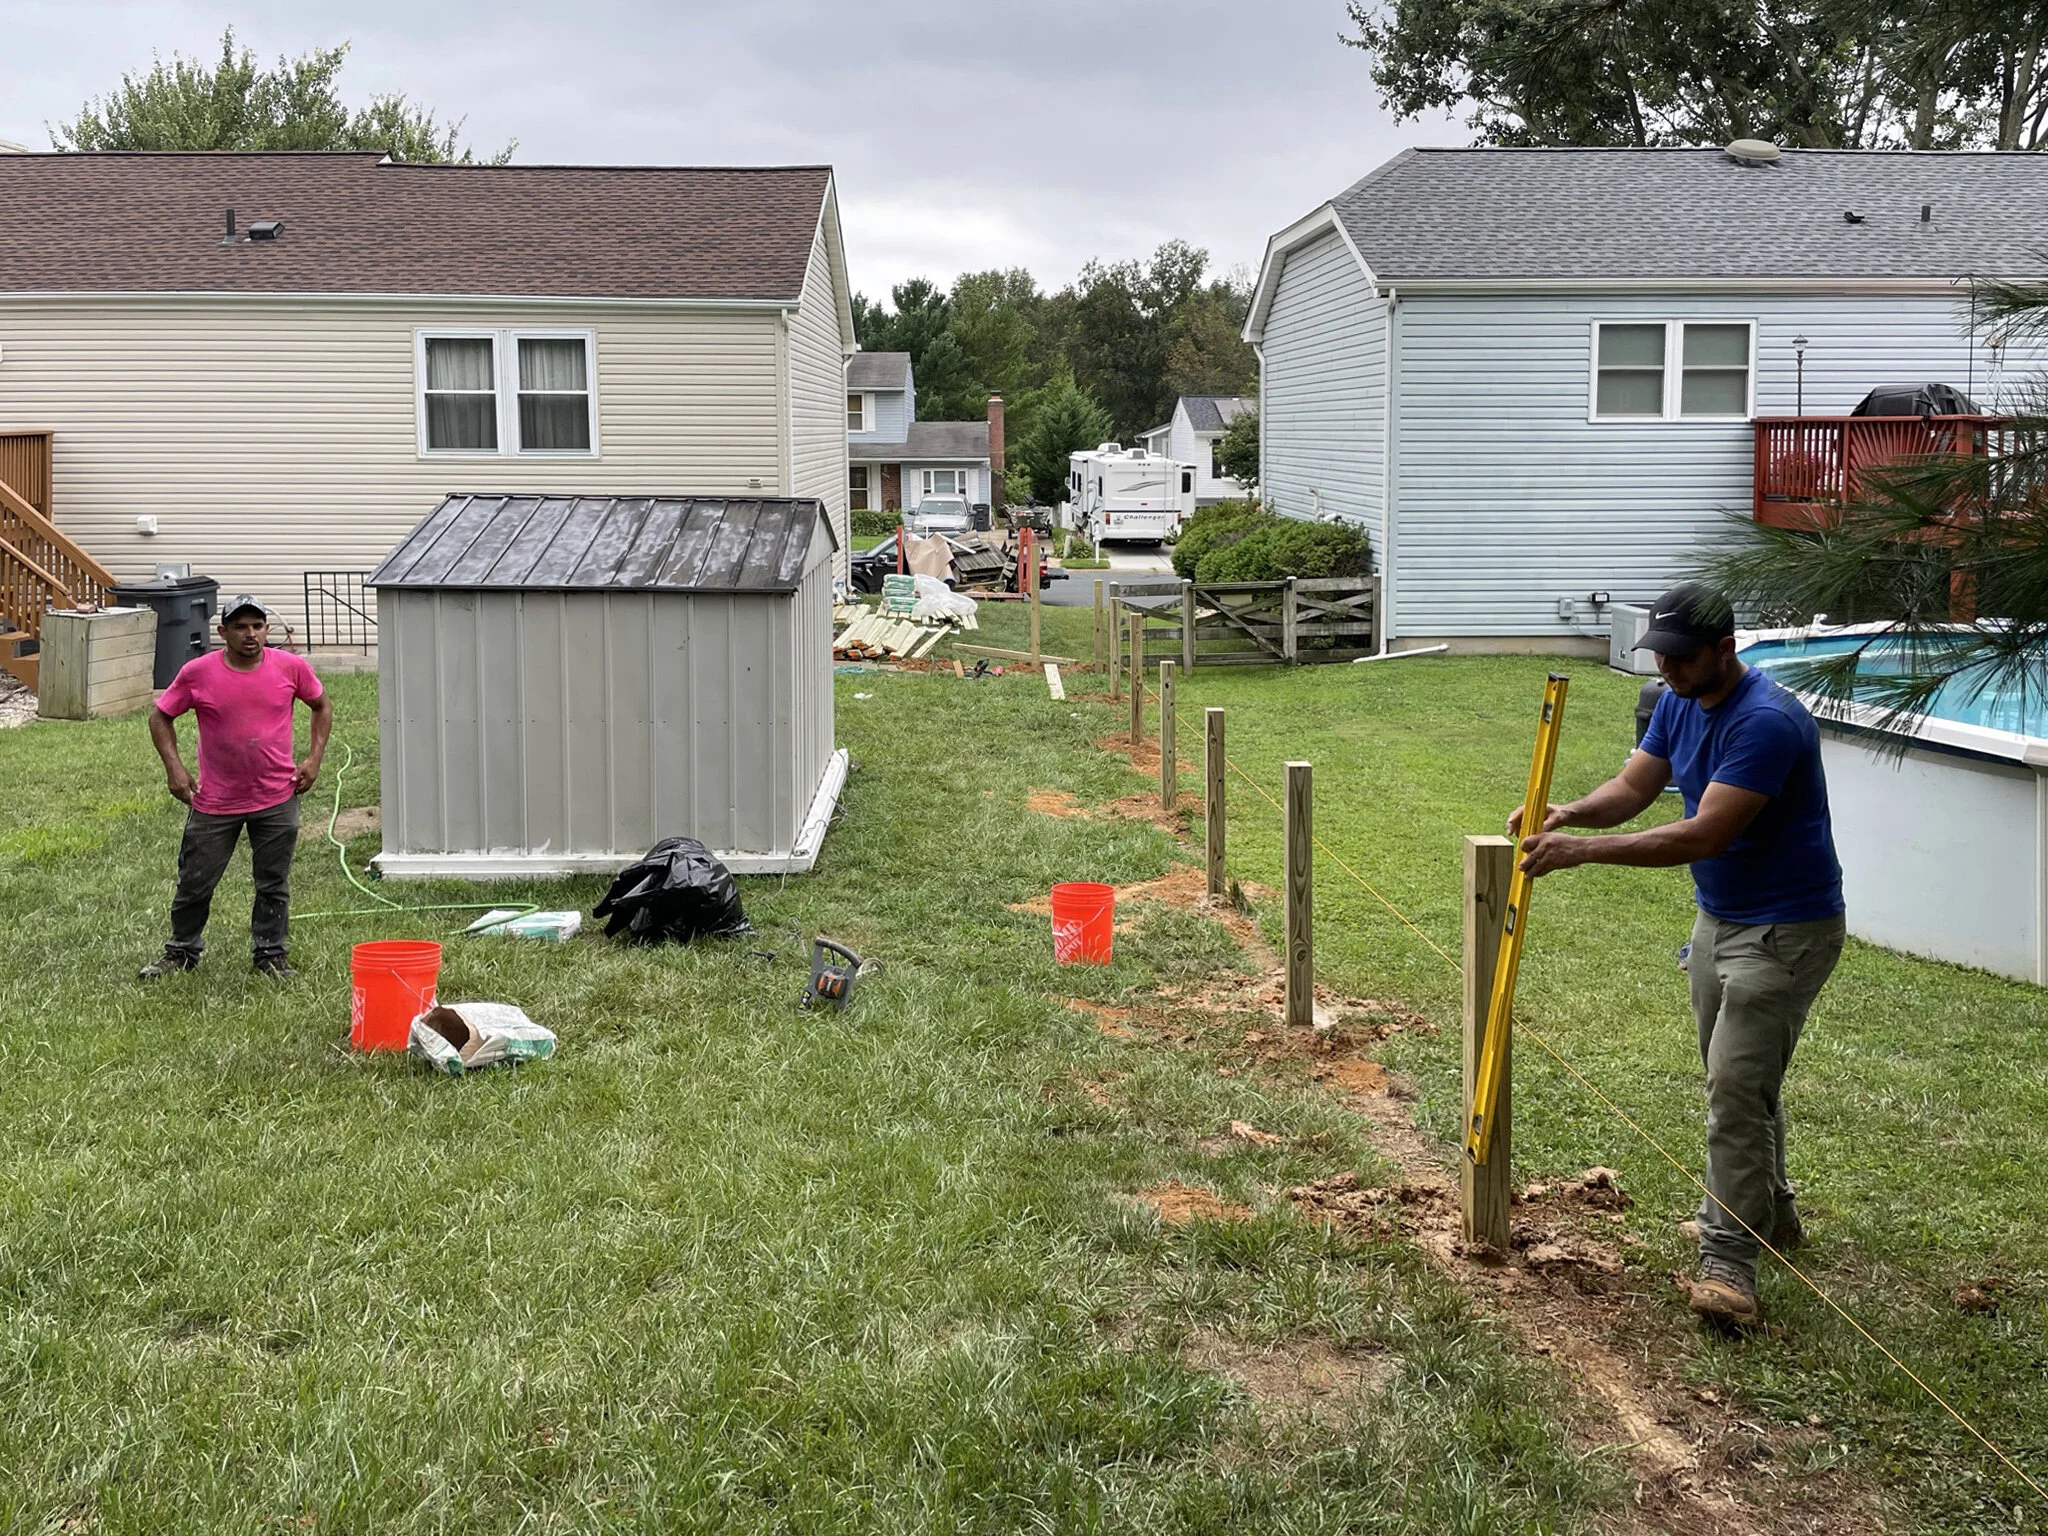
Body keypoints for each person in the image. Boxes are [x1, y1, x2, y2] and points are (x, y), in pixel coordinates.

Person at [1510, 583, 1845, 1326]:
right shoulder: (1676, 702)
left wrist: (1582, 854)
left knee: (1735, 1085)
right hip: (1718, 918)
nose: (1667, 670)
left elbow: (1703, 834)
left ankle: (1730, 1264)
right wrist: (1569, 812)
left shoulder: (1766, 723)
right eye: (1660, 656)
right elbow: (1634, 788)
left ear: (1725, 648)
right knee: (1737, 1080)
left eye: (1681, 658)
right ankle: (1774, 1214)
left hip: (1786, 929)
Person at [140, 596, 333, 980]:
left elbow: (321, 706)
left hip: (277, 795)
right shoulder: (198, 673)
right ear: (222, 632)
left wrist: (314, 758)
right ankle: (181, 953)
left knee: (273, 882)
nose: (251, 634)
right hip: (215, 800)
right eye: (241, 627)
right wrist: (174, 769)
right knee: (195, 881)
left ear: (266, 630)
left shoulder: (291, 668)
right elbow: (160, 717)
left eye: (257, 626)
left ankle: (270, 956)